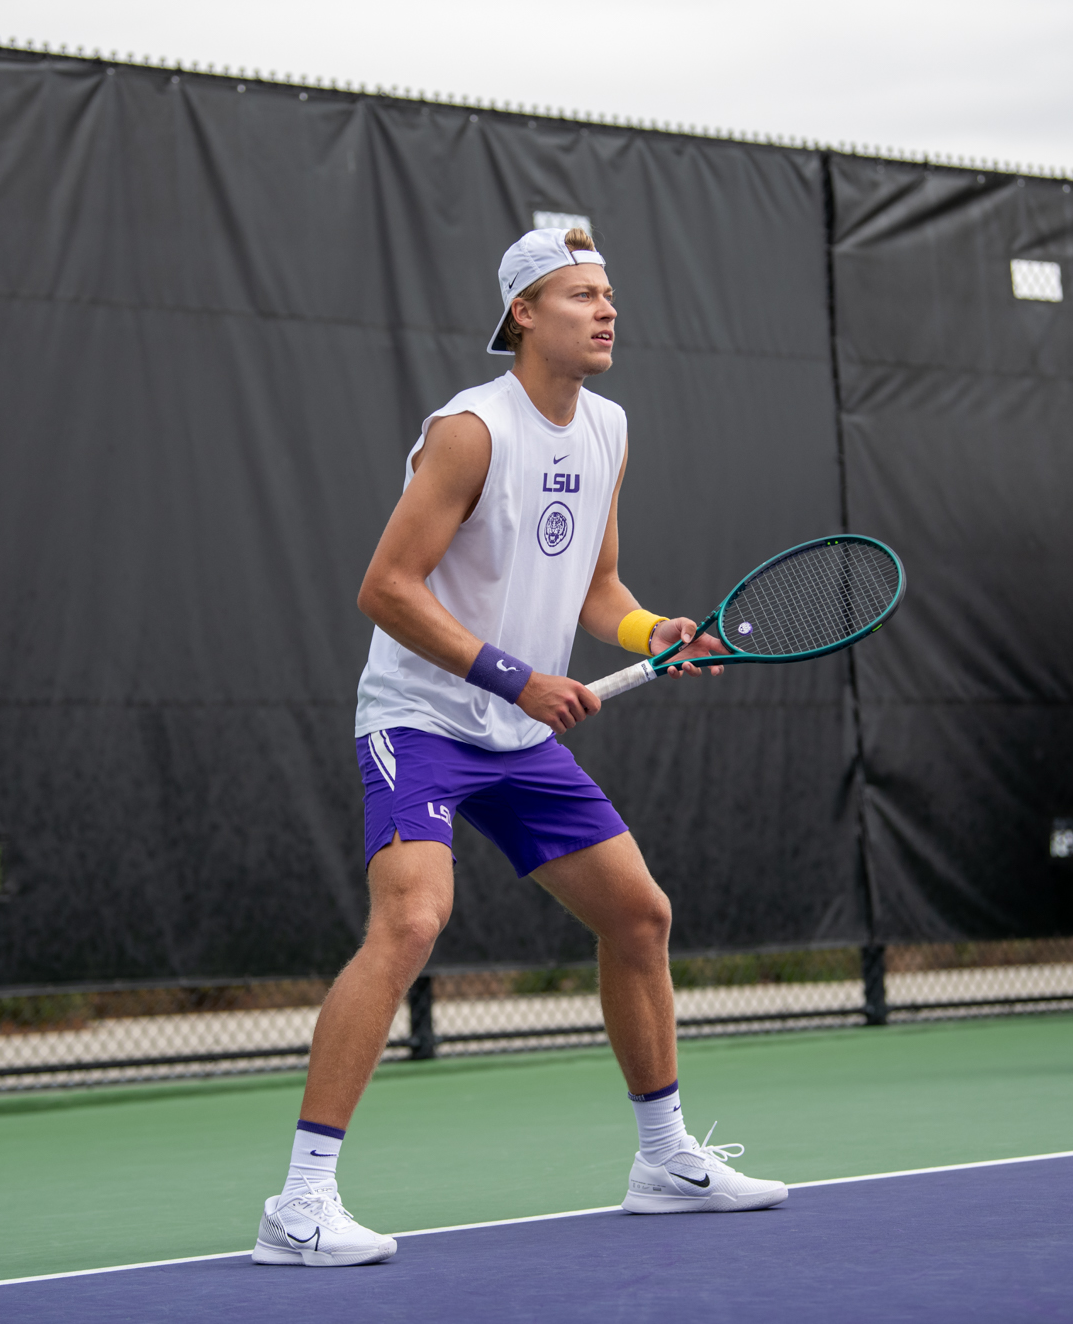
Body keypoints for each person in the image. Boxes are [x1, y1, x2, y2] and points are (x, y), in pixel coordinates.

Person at [250, 227, 788, 1268]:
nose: (606, 309)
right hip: (420, 720)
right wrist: (513, 676)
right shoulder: (468, 431)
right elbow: (385, 589)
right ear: (523, 317)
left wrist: (653, 633)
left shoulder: (609, 429)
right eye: (581, 294)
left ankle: (663, 1162)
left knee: (638, 914)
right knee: (411, 920)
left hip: (518, 733)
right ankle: (299, 1204)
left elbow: (597, 587)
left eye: (609, 294)